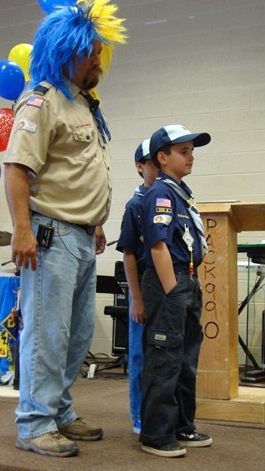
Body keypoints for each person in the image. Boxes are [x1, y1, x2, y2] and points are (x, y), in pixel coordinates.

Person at [3, 0, 126, 458]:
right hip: (49, 236)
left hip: (79, 235)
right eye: (91, 50)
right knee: (46, 333)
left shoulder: (85, 104)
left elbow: (79, 171)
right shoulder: (42, 101)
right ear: (66, 50)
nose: (99, 58)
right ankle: (34, 423)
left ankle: (59, 412)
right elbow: (17, 168)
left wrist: (94, 221)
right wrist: (21, 229)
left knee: (75, 335)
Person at [139, 124, 213, 458]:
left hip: (187, 280)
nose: (190, 157)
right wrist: (171, 292)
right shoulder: (160, 193)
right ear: (162, 157)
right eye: (183, 152)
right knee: (165, 359)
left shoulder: (182, 192)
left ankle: (182, 425)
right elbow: (157, 246)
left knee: (185, 361)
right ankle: (155, 434)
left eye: (192, 151)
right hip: (170, 283)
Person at [116, 139, 158, 435]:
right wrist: (136, 299)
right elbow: (129, 253)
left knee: (162, 353)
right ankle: (139, 414)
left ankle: (160, 411)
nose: (158, 169)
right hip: (142, 286)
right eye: (153, 164)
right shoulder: (136, 205)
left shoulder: (169, 198)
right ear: (140, 167)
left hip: (165, 288)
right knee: (140, 353)